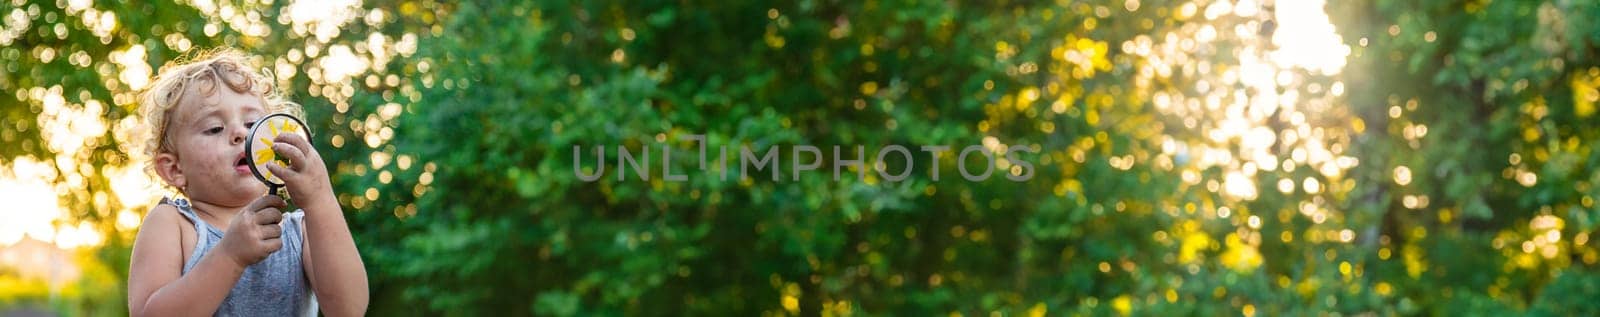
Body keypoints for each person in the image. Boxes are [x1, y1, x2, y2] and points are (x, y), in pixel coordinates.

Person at [125, 48, 368, 316]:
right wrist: (230, 255)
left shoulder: (301, 230)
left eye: (253, 123)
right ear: (174, 169)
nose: (241, 133)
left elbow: (349, 309)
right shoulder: (172, 224)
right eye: (215, 128)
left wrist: (320, 199)